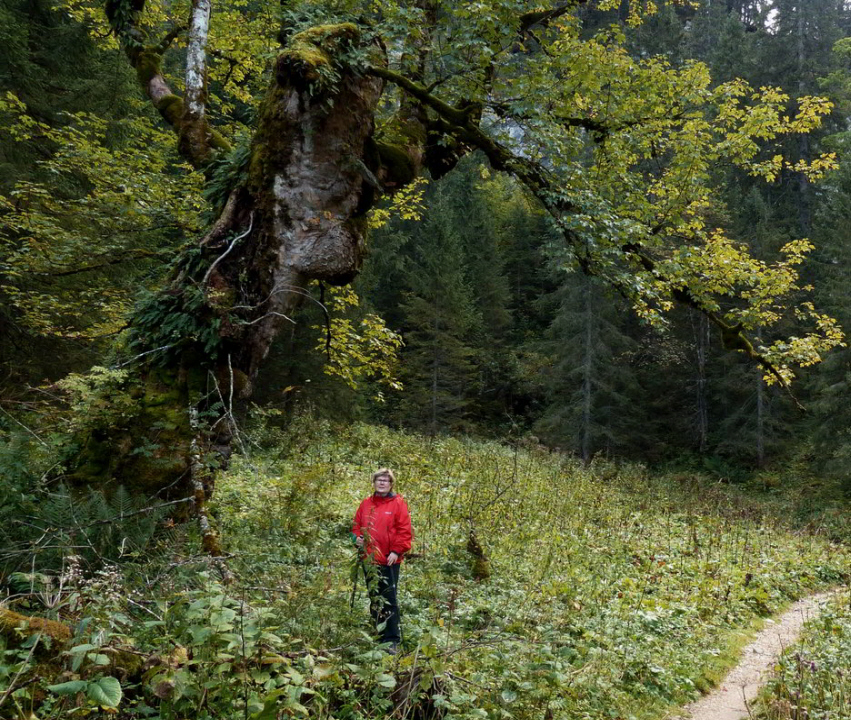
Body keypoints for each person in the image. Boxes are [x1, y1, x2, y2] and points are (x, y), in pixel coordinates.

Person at [352, 468, 413, 653]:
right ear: (374, 482)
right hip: (369, 559)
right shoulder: (365, 504)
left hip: (389, 560)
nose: (382, 483)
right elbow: (355, 527)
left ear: (391, 484)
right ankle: (378, 632)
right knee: (374, 597)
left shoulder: (398, 503)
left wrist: (396, 551)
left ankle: (392, 639)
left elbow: (405, 530)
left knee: (389, 599)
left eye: (385, 480)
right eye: (379, 480)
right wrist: (356, 540)